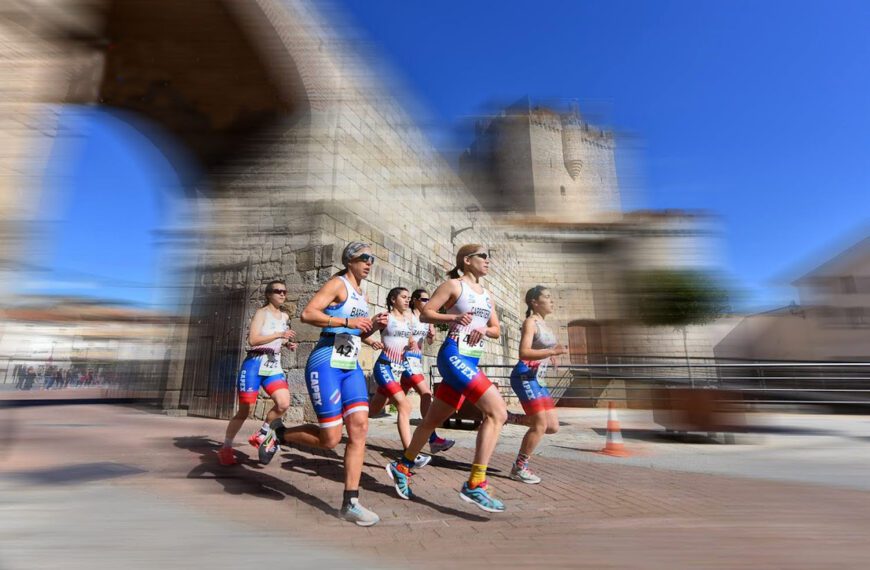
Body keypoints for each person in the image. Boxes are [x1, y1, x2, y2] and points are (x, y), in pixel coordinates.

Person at [259, 242, 387, 526]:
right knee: (330, 440)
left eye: (372, 259)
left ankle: (351, 502)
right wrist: (347, 321)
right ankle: (280, 434)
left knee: (359, 428)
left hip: (350, 365)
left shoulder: (361, 294)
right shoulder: (338, 284)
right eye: (364, 258)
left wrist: (373, 326)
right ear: (349, 261)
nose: (369, 262)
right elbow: (308, 314)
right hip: (326, 363)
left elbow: (353, 331)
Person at [386, 244, 508, 513]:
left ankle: (402, 465)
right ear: (467, 260)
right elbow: (426, 312)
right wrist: (454, 316)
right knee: (497, 412)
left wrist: (484, 331)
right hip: (454, 356)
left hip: (470, 359)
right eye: (483, 256)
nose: (487, 260)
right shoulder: (454, 286)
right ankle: (476, 483)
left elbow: (496, 329)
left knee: (432, 420)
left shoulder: (487, 295)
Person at [217, 280, 297, 466]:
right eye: (277, 291)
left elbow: (278, 340)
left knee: (283, 403)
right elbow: (253, 340)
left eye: (284, 291)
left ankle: (262, 433)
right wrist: (280, 335)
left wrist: (287, 344)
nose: (282, 294)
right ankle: (226, 448)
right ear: (268, 294)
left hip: (273, 365)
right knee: (245, 410)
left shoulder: (284, 317)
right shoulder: (262, 313)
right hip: (254, 364)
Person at [507, 286, 567, 484]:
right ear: (534, 302)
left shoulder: (544, 324)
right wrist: (552, 352)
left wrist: (550, 357)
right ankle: (519, 468)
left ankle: (509, 417)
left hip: (537, 379)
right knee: (540, 424)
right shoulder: (530, 322)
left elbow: (542, 349)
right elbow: (524, 352)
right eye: (547, 297)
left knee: (552, 426)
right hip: (524, 375)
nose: (551, 301)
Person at [366, 287, 431, 468]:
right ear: (393, 300)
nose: (407, 300)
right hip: (384, 366)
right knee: (404, 405)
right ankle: (410, 454)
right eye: (403, 297)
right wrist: (372, 341)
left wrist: (411, 344)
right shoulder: (385, 317)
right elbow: (363, 334)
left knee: (373, 410)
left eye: (408, 297)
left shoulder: (408, 321)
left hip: (398, 370)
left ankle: (345, 417)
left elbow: (409, 340)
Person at [401, 289, 455, 454]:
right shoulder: (409, 315)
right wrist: (408, 339)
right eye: (424, 299)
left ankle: (357, 411)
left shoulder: (427, 319)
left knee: (390, 400)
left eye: (428, 299)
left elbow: (430, 342)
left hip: (417, 361)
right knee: (426, 394)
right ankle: (433, 439)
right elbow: (401, 332)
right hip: (406, 359)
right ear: (415, 300)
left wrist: (432, 334)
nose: (427, 302)